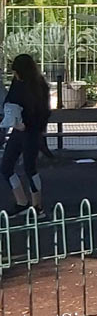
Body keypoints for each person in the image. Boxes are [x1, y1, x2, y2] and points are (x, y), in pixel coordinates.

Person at [0, 54, 51, 219]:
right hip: (17, 129)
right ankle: (21, 202)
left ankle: (38, 207)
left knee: (30, 168)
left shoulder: (39, 86)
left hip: (31, 131)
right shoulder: (17, 83)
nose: (15, 75)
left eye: (16, 72)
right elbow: (9, 100)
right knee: (6, 167)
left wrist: (27, 125)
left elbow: (43, 112)